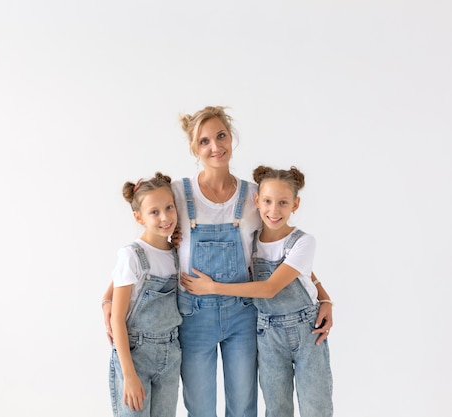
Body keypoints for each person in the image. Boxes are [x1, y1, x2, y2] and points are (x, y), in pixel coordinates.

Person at [102, 106, 333, 417]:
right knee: (200, 408)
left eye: (221, 136)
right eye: (204, 141)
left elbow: (281, 248)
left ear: (231, 138)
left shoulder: (255, 195)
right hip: (193, 317)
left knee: (243, 406)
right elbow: (145, 251)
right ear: (193, 148)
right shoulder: (177, 194)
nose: (215, 147)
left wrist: (323, 294)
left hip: (243, 316)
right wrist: (107, 301)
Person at [180, 165, 333, 417]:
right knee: (276, 409)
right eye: (268, 202)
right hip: (267, 332)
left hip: (307, 332)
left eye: (283, 203)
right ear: (257, 201)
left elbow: (272, 286)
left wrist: (213, 287)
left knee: (316, 407)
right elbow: (297, 270)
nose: (274, 210)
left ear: (296, 204)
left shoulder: (304, 240)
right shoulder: (252, 240)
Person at [108, 172, 183, 417]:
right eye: (154, 212)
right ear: (138, 217)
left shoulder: (176, 254)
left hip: (170, 354)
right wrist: (129, 375)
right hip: (135, 356)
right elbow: (117, 318)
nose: (165, 217)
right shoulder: (132, 255)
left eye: (169, 207)